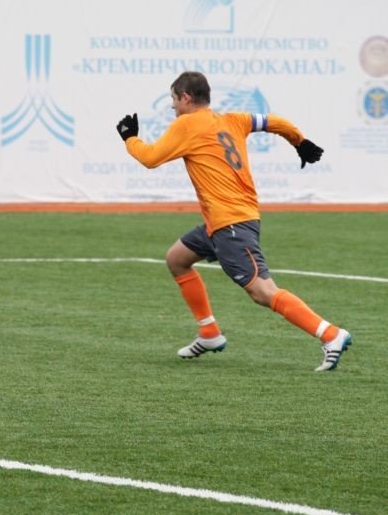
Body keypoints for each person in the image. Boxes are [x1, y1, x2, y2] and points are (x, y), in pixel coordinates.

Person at [116, 70, 351, 372]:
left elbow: (150, 158)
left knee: (263, 292)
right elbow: (273, 121)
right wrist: (299, 141)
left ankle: (330, 334)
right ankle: (209, 333)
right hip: (223, 222)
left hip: (231, 226)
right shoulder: (233, 119)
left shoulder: (186, 124)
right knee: (177, 259)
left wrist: (129, 138)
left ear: (186, 97)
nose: (173, 107)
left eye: (174, 100)